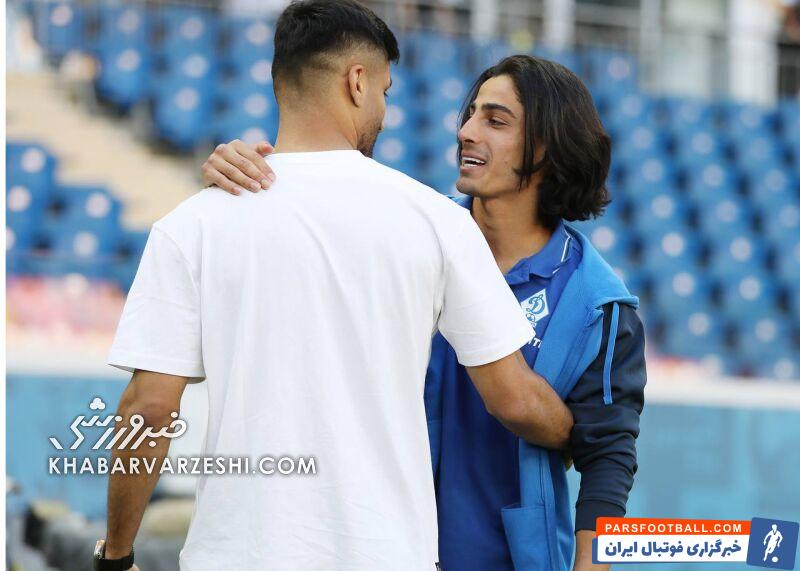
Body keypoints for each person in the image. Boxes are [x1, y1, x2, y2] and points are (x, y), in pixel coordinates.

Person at [98, 2, 573, 570]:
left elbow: (149, 409)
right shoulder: (436, 221)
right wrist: (589, 434)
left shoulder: (192, 223)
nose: (384, 112)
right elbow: (515, 399)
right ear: (357, 82)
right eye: (384, 93)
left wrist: (115, 554)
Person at [205, 54, 647, 571]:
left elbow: (607, 457)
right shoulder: (403, 236)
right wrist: (249, 174)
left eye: (495, 121)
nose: (466, 131)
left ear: (548, 147)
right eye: (471, 114)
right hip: (368, 551)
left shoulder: (598, 302)